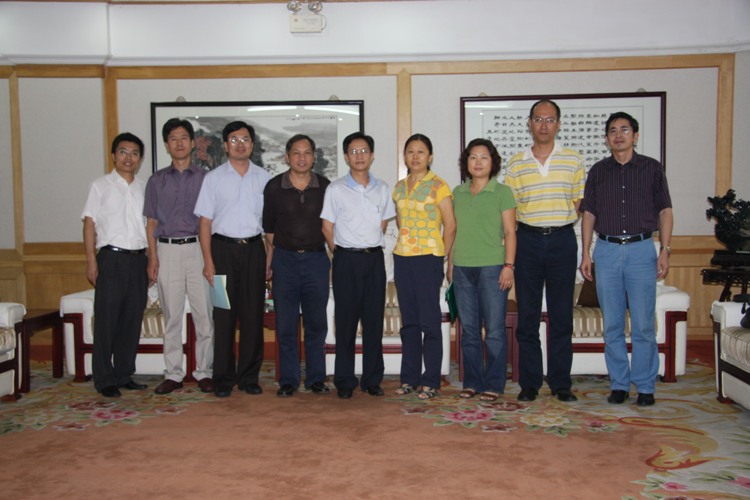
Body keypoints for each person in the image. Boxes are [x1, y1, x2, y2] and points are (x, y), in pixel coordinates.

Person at [580, 111, 673, 407]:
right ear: (606, 138)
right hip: (606, 251)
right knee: (613, 325)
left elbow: (665, 211)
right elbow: (589, 214)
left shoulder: (652, 168)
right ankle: (619, 384)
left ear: (635, 135)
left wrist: (665, 249)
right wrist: (585, 253)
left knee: (643, 324)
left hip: (641, 250)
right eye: (612, 131)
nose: (618, 135)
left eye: (624, 130)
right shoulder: (598, 171)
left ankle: (645, 386)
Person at [505, 99, 585, 403]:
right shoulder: (516, 163)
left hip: (562, 240)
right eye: (538, 119)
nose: (543, 125)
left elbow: (579, 205)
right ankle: (530, 383)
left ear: (558, 125)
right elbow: (510, 211)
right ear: (529, 123)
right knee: (528, 315)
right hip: (528, 241)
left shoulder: (574, 160)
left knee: (561, 315)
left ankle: (561, 383)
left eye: (550, 120)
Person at [194, 121, 271, 398]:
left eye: (245, 139)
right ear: (226, 146)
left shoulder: (264, 179)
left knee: (253, 315)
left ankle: (249, 376)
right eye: (234, 140)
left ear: (253, 145)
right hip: (222, 252)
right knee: (223, 315)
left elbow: (269, 226)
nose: (240, 144)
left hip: (254, 252)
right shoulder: (213, 179)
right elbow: (205, 223)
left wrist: (269, 258)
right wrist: (208, 261)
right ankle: (223, 377)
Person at [321, 131, 396, 399]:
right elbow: (327, 227)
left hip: (374, 259)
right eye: (353, 151)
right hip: (346, 260)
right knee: (346, 322)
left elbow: (383, 223)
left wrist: (367, 244)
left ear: (372, 155)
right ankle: (344, 381)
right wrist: (340, 251)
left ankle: (372, 379)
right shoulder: (335, 189)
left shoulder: (382, 188)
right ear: (346, 157)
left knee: (374, 321)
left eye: (364, 151)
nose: (359, 156)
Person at [144, 118, 214, 395]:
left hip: (199, 249)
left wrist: (210, 259)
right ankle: (173, 373)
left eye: (184, 137)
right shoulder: (156, 181)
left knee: (204, 315)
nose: (179, 143)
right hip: (167, 250)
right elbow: (151, 222)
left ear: (193, 143)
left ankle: (204, 371)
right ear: (166, 145)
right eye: (173, 138)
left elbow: (212, 220)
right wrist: (153, 258)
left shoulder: (206, 179)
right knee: (172, 315)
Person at [263, 134, 331, 397]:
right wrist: (273, 260)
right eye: (296, 153)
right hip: (285, 261)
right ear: (287, 156)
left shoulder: (325, 187)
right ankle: (288, 380)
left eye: (307, 153)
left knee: (316, 324)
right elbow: (269, 231)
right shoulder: (273, 187)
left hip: (316, 260)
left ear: (314, 156)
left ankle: (316, 378)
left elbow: (330, 227)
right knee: (286, 325)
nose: (302, 158)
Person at [82, 132, 149, 398]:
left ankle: (123, 374)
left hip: (139, 260)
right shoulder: (100, 186)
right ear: (113, 156)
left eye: (134, 153)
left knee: (132, 320)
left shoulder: (144, 188)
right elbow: (89, 224)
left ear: (140, 159)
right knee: (107, 320)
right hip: (111, 258)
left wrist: (151, 260)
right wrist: (91, 260)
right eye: (123, 152)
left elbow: (150, 227)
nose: (128, 158)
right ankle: (104, 378)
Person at [450, 138, 516, 402]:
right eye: (473, 157)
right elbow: (453, 231)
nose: (478, 162)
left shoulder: (502, 192)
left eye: (484, 157)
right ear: (466, 162)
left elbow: (510, 232)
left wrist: (508, 266)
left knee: (495, 331)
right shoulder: (457, 192)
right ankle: (472, 382)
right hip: (462, 269)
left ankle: (494, 384)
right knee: (469, 330)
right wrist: (450, 264)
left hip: (492, 268)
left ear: (493, 162)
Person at [391, 134, 456, 400]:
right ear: (405, 156)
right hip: (402, 257)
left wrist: (441, 256)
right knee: (409, 323)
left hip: (429, 259)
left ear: (430, 157)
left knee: (429, 322)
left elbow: (450, 225)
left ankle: (430, 381)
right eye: (410, 151)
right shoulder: (399, 187)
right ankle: (409, 378)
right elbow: (400, 222)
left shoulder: (439, 185)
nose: (415, 156)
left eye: (420, 152)